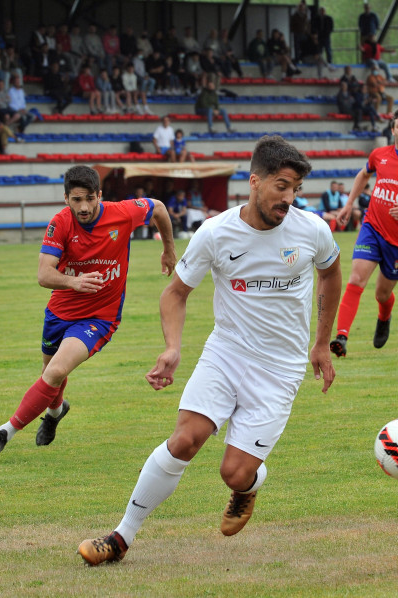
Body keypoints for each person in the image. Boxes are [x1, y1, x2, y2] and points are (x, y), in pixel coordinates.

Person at [77, 135, 343, 566]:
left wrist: (321, 344)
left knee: (233, 474)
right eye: (281, 186)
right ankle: (121, 537)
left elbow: (331, 275)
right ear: (254, 182)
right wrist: (172, 348)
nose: (289, 198)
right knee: (184, 440)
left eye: (295, 189)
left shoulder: (311, 229)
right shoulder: (216, 233)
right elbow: (175, 293)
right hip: (227, 353)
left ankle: (249, 487)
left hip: (280, 369)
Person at [0, 165, 177, 457]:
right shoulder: (59, 224)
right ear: (66, 198)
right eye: (76, 200)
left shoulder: (122, 213)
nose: (83, 207)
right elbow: (44, 275)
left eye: (89, 199)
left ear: (100, 195)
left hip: (100, 317)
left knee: (56, 370)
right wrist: (74, 281)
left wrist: (169, 248)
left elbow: (157, 208)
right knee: (50, 374)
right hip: (59, 313)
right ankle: (56, 411)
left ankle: (4, 432)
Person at [330, 107, 398, 358]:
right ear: (392, 130)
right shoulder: (378, 155)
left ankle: (385, 315)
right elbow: (363, 174)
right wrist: (349, 203)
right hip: (372, 227)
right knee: (356, 279)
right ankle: (341, 337)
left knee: (382, 293)